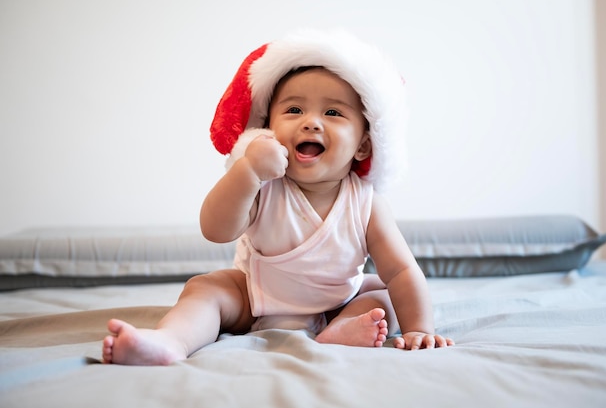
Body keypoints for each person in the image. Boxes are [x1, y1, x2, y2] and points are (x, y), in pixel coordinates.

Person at [102, 29, 454, 366]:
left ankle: (338, 331)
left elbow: (402, 270)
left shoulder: (366, 202)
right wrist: (248, 172)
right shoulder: (264, 184)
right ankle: (171, 341)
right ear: (268, 129)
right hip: (254, 299)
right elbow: (215, 229)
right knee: (206, 287)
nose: (311, 122)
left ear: (363, 145)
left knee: (385, 294)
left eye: (332, 113)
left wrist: (419, 329)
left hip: (336, 304)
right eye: (294, 110)